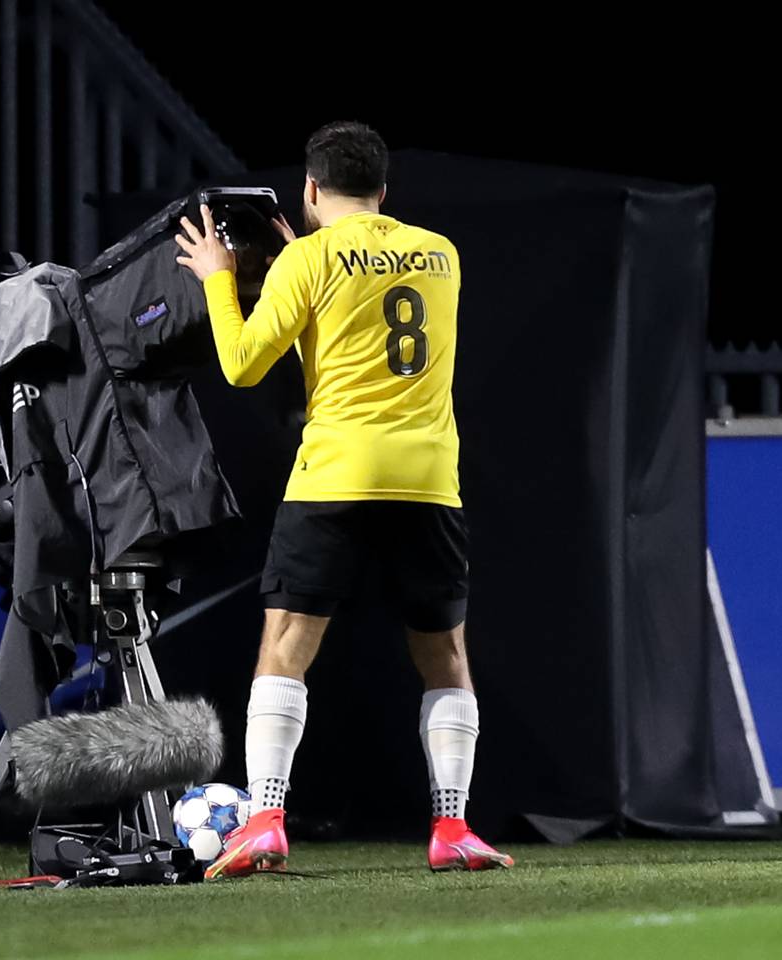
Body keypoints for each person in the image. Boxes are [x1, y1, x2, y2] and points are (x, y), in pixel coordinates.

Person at [175, 121, 513, 878]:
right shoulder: (441, 253)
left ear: (311, 188)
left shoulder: (307, 259)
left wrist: (218, 278)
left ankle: (265, 818)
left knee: (285, 649)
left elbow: (241, 365)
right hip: (428, 480)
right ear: (384, 191)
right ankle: (453, 827)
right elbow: (366, 292)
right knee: (444, 657)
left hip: (335, 475)